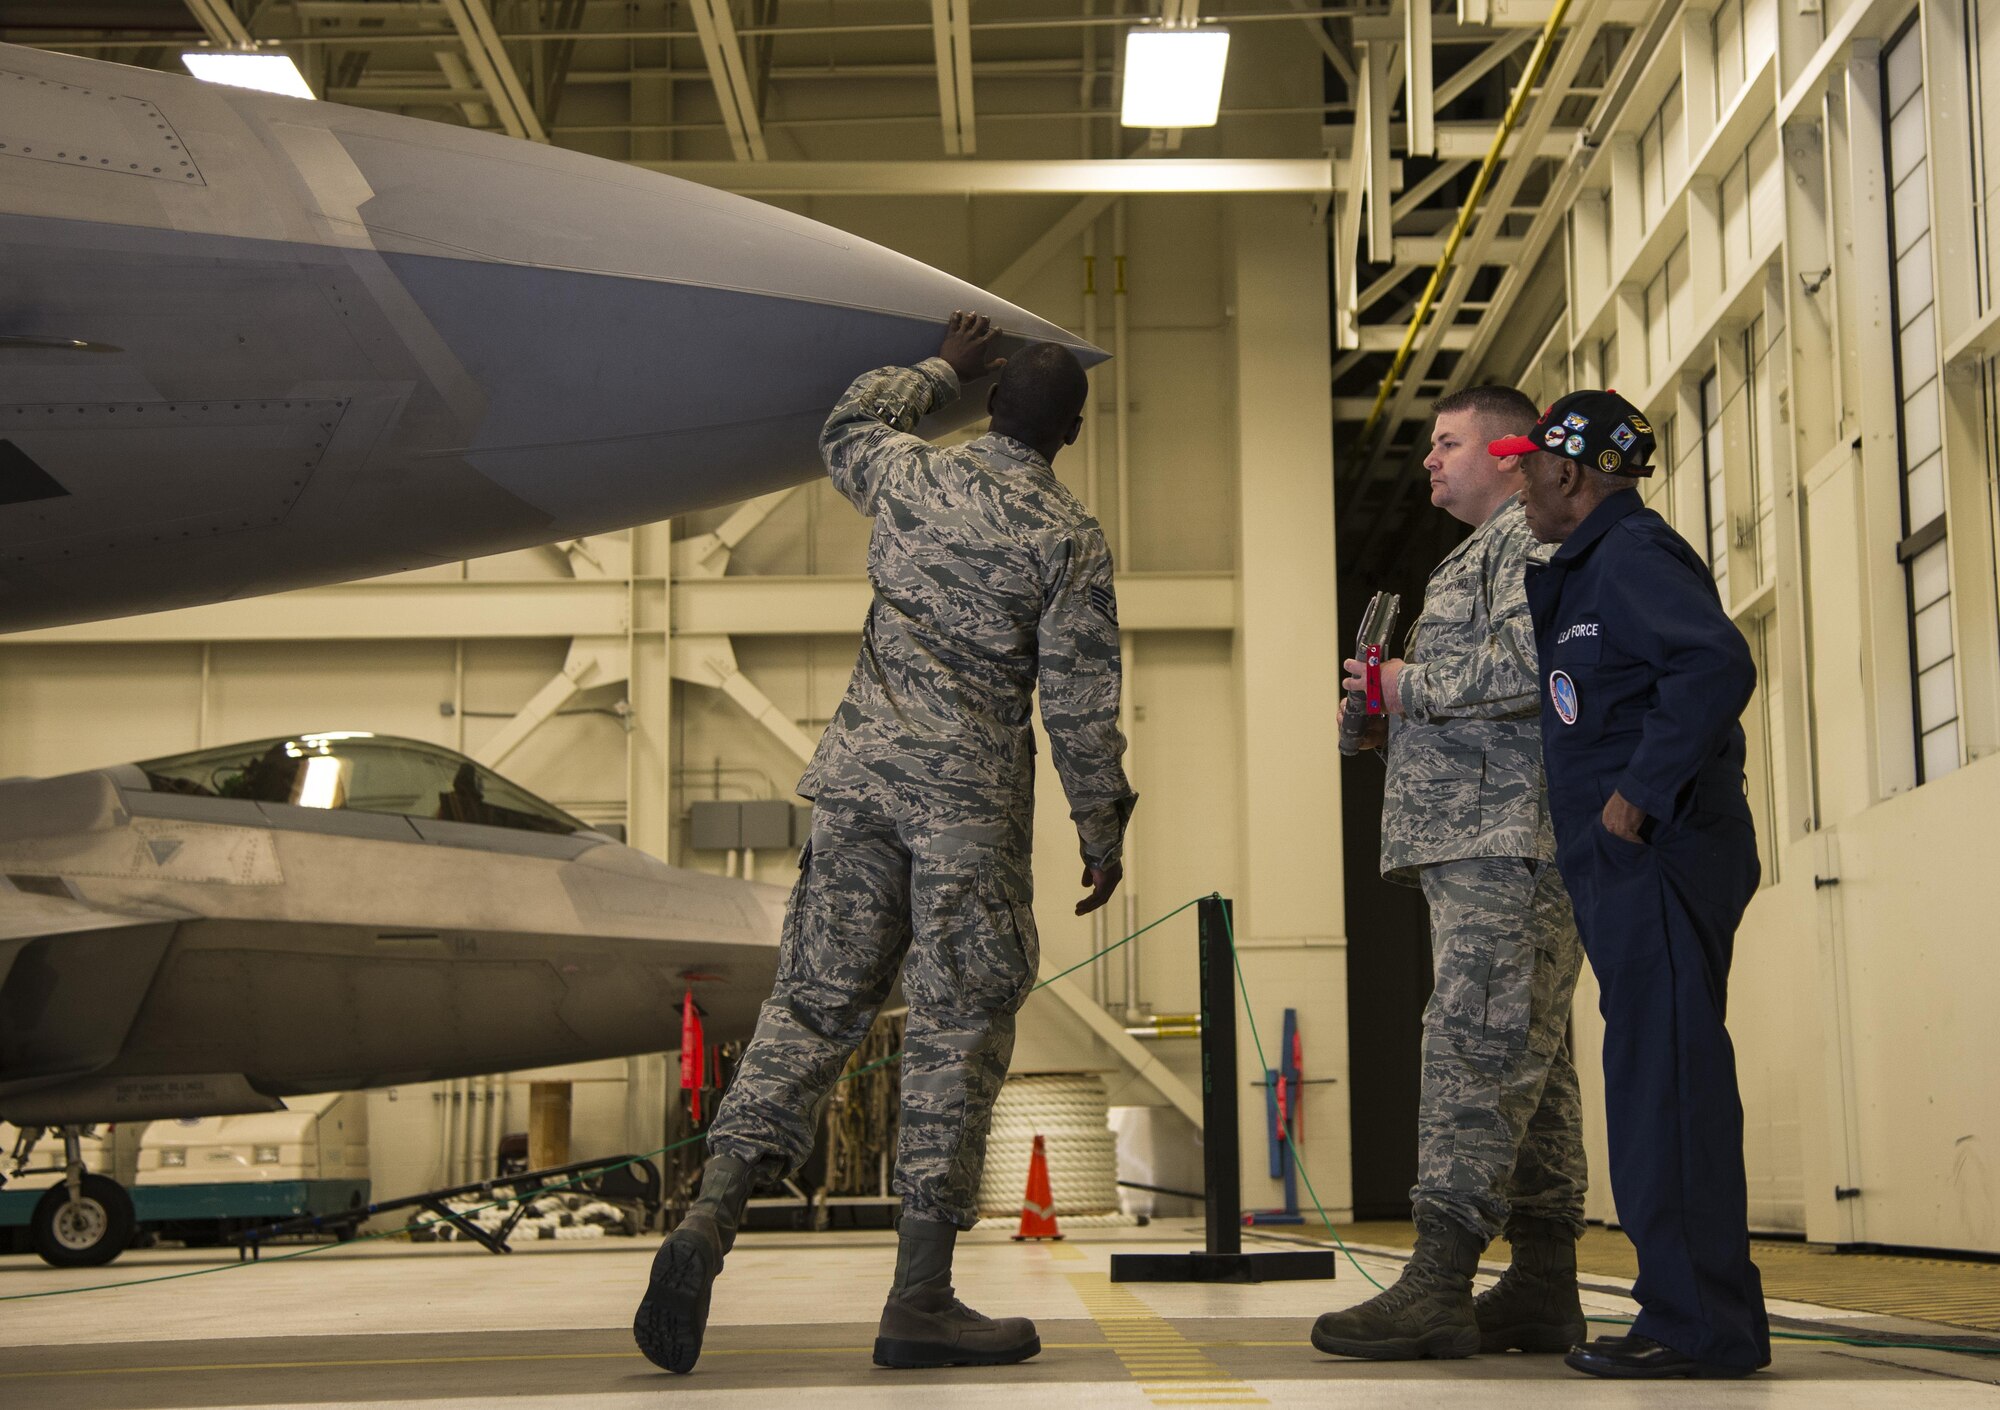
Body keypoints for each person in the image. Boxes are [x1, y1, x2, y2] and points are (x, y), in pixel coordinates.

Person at [633, 313, 1137, 1376]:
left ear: (991, 408)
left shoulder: (911, 474)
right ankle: (919, 1299)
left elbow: (846, 423)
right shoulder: (1067, 538)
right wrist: (1100, 826)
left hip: (857, 787)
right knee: (955, 1031)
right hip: (964, 815)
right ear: (1072, 433)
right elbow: (1079, 708)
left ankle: (705, 1224)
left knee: (810, 1008)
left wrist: (936, 368)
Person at [1312, 387, 1589, 1361]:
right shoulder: (1480, 553)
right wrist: (1398, 718)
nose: (1428, 460)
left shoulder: (1526, 540)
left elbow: (1535, 671)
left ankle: (1438, 1281)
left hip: (1501, 840)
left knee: (1473, 1045)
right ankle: (1543, 1282)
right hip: (1491, 833)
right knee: (1533, 1065)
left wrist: (1406, 684)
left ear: (1510, 453)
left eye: (1446, 442)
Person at [1500, 389, 1770, 1379]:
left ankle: (1696, 1328)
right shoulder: (1591, 566)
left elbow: (1712, 662)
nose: (1518, 484)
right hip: (1628, 866)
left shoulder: (1630, 555)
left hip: (1656, 855)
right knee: (1655, 1079)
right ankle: (1697, 1315)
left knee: (1666, 1082)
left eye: (1526, 465)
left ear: (1567, 471)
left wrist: (1639, 793)